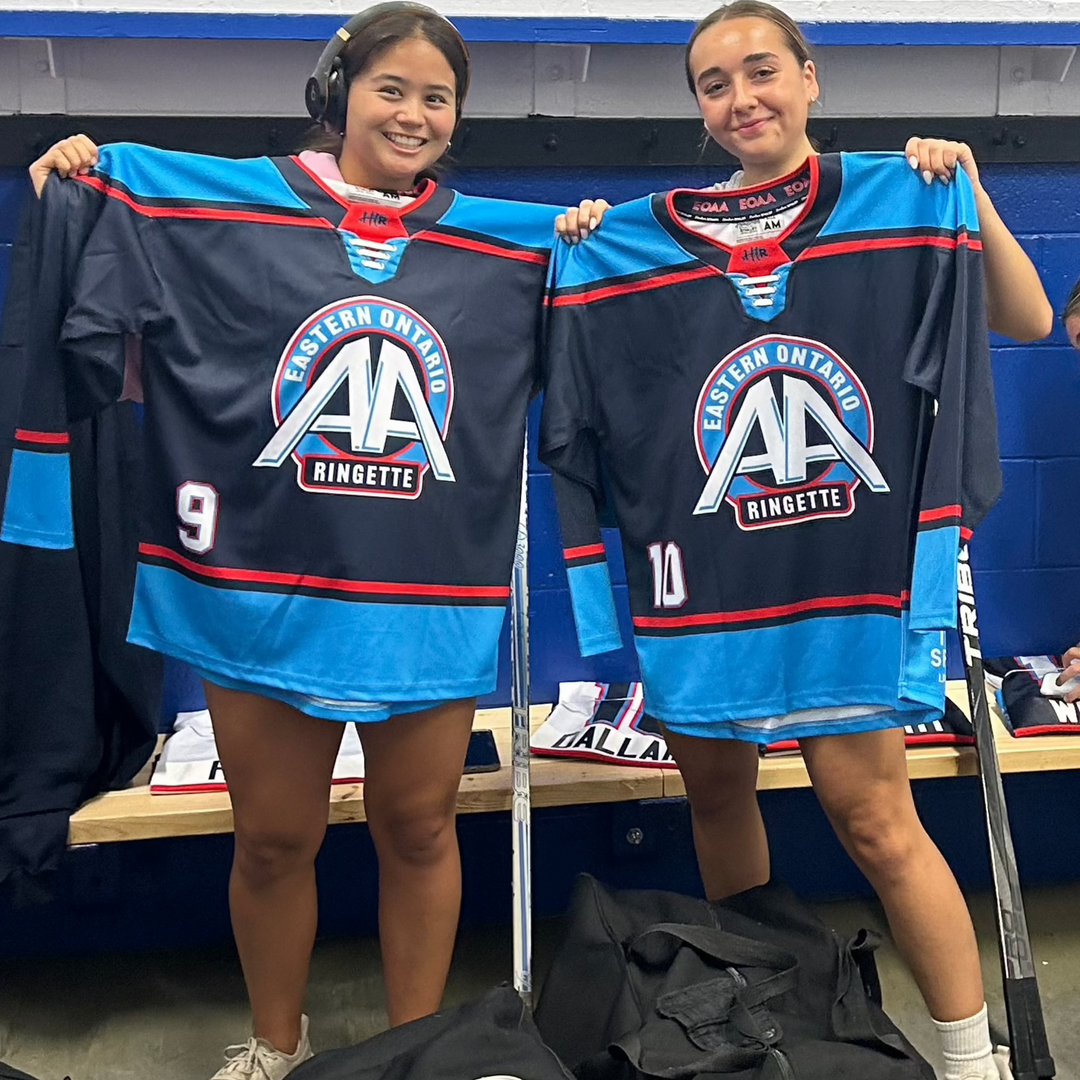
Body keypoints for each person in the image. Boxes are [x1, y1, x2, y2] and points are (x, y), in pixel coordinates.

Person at [22, 7, 607, 1079]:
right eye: (392, 89)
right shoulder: (225, 206)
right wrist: (79, 185)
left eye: (437, 98)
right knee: (273, 838)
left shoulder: (510, 244)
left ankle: (409, 1054)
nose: (414, 114)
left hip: (426, 596)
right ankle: (275, 1045)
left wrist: (593, 239)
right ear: (338, 94)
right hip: (257, 587)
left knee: (419, 829)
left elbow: (643, 299)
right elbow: (113, 237)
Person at [543, 6, 1052, 1080]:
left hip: (845, 579)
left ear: (810, 77)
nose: (742, 99)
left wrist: (969, 195)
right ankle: (770, 1035)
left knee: (876, 820)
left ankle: (972, 1062)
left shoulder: (903, 197)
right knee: (718, 799)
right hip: (706, 584)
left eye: (762, 70)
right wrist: (584, 238)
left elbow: (1031, 320)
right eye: (714, 83)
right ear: (699, 108)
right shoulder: (631, 245)